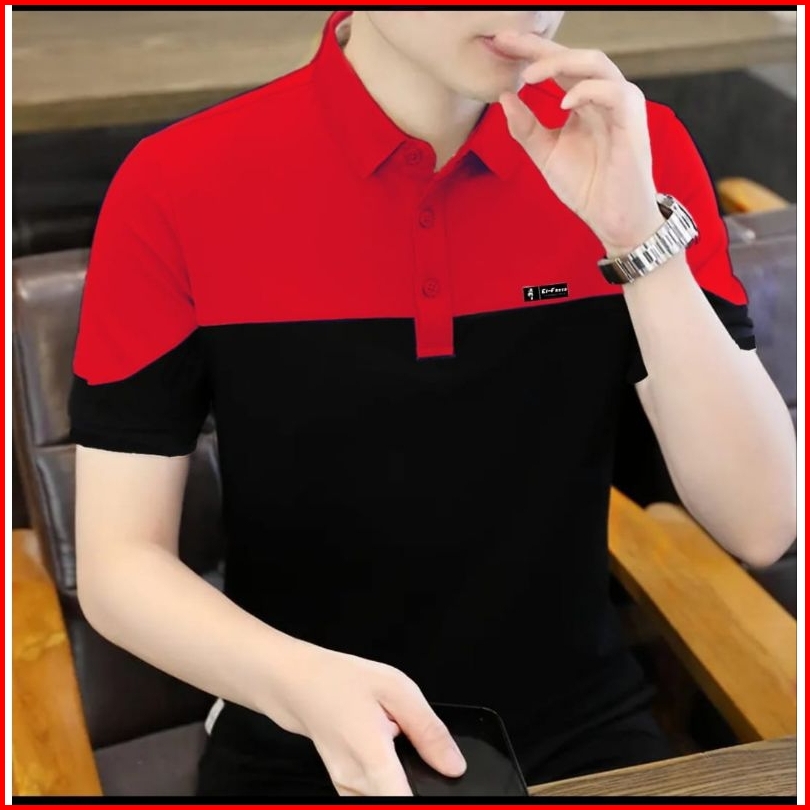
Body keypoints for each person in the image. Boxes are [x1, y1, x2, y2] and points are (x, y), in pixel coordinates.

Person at [69, 10, 796, 797]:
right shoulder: (177, 181)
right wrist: (297, 682)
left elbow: (761, 524)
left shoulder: (633, 147)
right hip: (295, 733)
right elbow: (119, 564)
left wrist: (635, 239)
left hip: (581, 734)